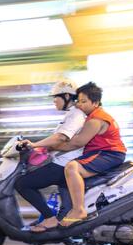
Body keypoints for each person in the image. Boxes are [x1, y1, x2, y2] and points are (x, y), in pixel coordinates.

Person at [14, 79, 86, 232]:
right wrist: (38, 145)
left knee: (22, 184)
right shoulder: (71, 115)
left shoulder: (76, 115)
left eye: (56, 97)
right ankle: (55, 220)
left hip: (63, 164)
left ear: (67, 96)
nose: (54, 100)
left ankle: (49, 219)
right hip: (62, 162)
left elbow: (61, 137)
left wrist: (34, 144)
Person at [53, 82, 127, 227]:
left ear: (96, 102)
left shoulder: (95, 119)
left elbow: (77, 142)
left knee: (72, 168)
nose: (79, 105)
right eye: (78, 101)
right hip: (105, 152)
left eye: (84, 101)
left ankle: (78, 210)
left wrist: (52, 146)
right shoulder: (92, 116)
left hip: (109, 153)